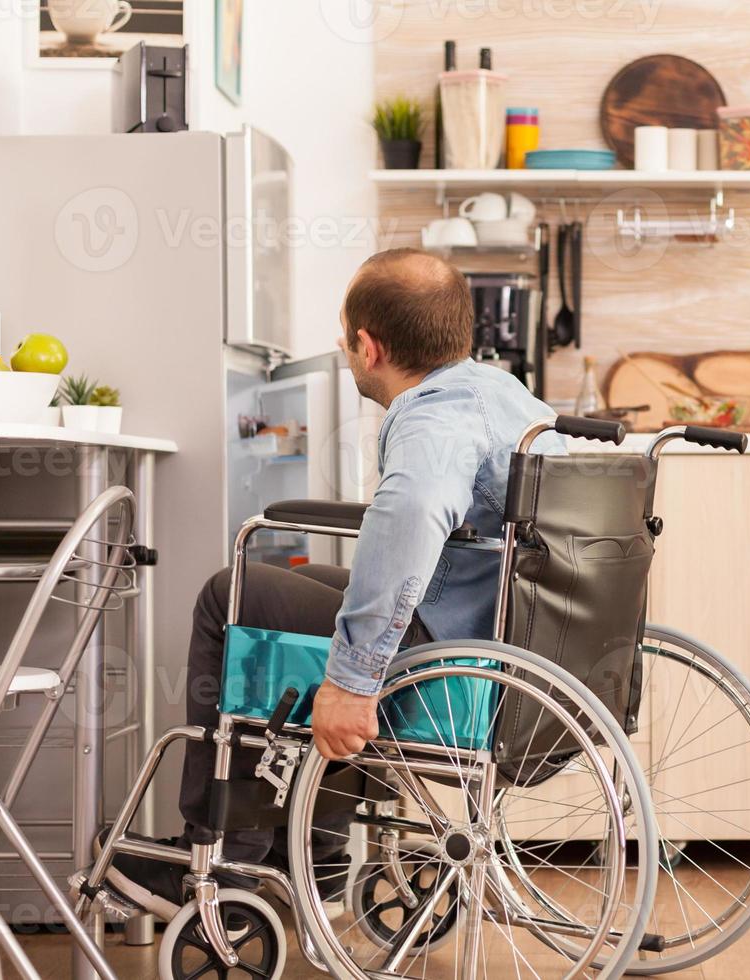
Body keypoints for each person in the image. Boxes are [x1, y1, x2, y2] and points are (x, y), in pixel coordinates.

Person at [100, 248, 556, 919]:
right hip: (504, 632)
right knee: (310, 583)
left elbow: (408, 517)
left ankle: (227, 861)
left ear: (369, 347)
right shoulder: (505, 395)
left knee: (234, 595)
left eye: (345, 340)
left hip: (457, 657)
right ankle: (316, 845)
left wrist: (351, 680)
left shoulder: (432, 420)